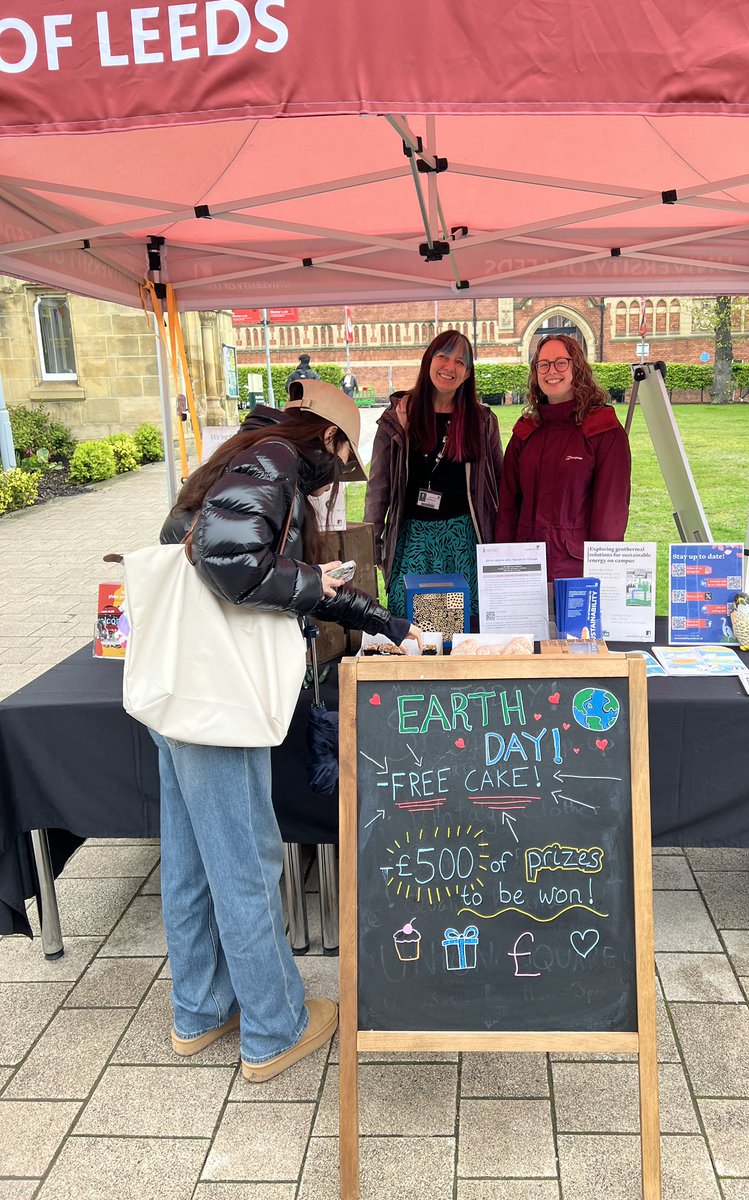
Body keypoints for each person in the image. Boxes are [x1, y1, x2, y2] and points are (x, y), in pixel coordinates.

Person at [154, 382, 422, 1083]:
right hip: (219, 697)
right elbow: (230, 562)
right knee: (245, 862)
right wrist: (306, 580)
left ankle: (201, 1011)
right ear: (329, 441)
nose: (339, 479)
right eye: (343, 458)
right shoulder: (275, 459)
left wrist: (384, 623)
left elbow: (187, 547)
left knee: (189, 862)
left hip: (177, 686)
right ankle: (274, 1029)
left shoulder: (237, 457)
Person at [364, 330, 503, 616]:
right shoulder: (398, 417)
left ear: (467, 374)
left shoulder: (482, 420)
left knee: (460, 631)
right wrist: (373, 545)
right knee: (413, 629)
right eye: (443, 356)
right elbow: (379, 487)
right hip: (412, 539)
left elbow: (498, 485)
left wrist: (501, 547)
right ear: (429, 360)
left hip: (462, 541)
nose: (449, 367)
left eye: (460, 362)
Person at [495, 334, 631, 583]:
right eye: (543, 364)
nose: (551, 371)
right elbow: (507, 506)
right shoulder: (526, 431)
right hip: (526, 564)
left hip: (576, 569)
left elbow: (610, 515)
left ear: (576, 367)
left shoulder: (603, 431)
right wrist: (502, 559)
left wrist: (604, 575)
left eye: (561, 362)